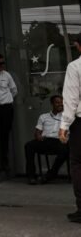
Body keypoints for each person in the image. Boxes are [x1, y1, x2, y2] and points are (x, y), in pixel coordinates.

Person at [60, 33, 81, 223]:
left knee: (78, 164)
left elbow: (71, 98)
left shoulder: (75, 66)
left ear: (78, 46)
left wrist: (64, 125)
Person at [24, 95, 69, 184]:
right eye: (57, 102)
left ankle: (51, 174)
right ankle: (31, 176)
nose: (60, 104)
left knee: (66, 149)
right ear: (52, 104)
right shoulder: (43, 117)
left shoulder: (67, 117)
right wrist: (38, 136)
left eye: (62, 102)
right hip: (45, 140)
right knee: (29, 145)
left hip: (59, 141)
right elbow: (37, 132)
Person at [0, 53, 18, 169]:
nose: (2, 65)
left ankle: (4, 158)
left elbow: (14, 90)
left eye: (3, 63)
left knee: (5, 133)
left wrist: (6, 100)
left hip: (5, 108)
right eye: (0, 63)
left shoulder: (6, 75)